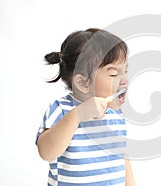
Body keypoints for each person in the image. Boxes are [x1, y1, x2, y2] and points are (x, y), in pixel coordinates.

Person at [36, 28, 136, 186]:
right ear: (82, 83)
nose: (124, 79)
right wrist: (77, 115)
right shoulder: (62, 109)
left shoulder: (116, 114)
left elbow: (123, 160)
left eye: (125, 71)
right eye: (113, 74)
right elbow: (46, 152)